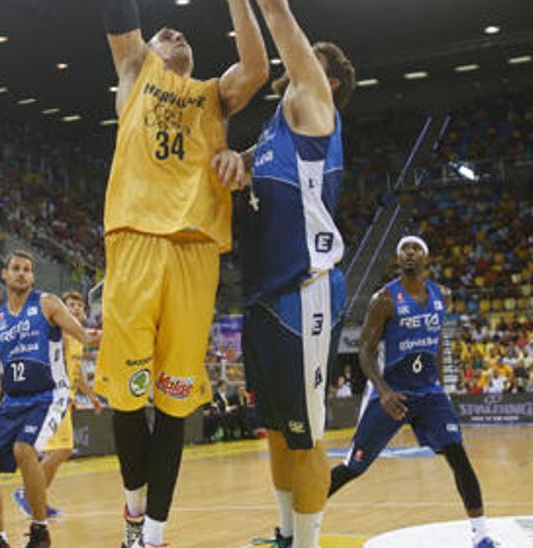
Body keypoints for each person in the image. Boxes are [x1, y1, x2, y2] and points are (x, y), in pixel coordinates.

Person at [97, 1, 268, 545]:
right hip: (135, 241)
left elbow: (258, 69)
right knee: (127, 399)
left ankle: (152, 533)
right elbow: (121, 15)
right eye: (164, 31)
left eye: (183, 35)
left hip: (196, 254)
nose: (174, 32)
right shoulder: (135, 70)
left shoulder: (214, 95)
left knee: (174, 403)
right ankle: (132, 509)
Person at [211, 2, 355, 544]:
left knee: (308, 438)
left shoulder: (317, 109)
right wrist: (235, 164)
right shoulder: (275, 129)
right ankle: (286, 533)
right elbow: (245, 165)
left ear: (329, 80)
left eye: (307, 61)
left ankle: (308, 543)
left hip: (305, 292)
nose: (293, 65)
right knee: (276, 430)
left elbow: (278, 18)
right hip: (263, 295)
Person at [328, 237, 497, 548]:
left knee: (457, 455)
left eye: (415, 248)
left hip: (429, 393)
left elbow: (438, 342)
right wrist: (383, 390)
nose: (409, 252)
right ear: (397, 258)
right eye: (403, 249)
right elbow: (364, 351)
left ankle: (482, 534)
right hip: (392, 393)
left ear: (426, 258)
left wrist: (441, 387)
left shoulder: (441, 295)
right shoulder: (384, 299)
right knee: (353, 467)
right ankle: (299, 521)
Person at [0, 251, 99, 548]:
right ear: (4, 275)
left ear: (32, 277)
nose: (22, 273)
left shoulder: (48, 303)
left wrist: (94, 336)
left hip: (49, 395)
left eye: (27, 269)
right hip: (12, 401)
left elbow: (83, 336)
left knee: (24, 450)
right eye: (16, 269)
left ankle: (40, 530)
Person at [12, 291, 105, 519]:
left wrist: (91, 397)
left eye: (78, 306)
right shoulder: (59, 334)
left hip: (65, 401)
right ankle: (28, 495)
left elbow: (77, 373)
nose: (74, 309)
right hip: (53, 398)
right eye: (70, 305)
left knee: (58, 453)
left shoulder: (76, 337)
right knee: (60, 451)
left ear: (84, 311)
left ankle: (38, 501)